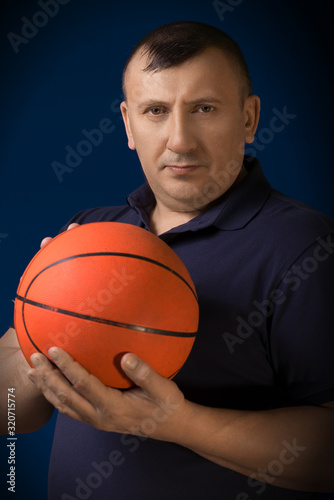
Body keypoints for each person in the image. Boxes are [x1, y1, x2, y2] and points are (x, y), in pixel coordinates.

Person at [1, 21, 334, 500]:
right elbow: (11, 412)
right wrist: (41, 315)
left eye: (204, 108)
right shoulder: (90, 234)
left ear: (249, 118)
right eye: (156, 110)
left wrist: (177, 422)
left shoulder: (307, 247)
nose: (180, 139)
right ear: (128, 124)